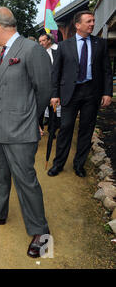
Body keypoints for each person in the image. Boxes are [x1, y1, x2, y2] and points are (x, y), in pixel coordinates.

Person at [0, 7, 51, 258]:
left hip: (20, 130)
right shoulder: (2, 53)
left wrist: (31, 119)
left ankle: (41, 233)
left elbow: (43, 90)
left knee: (26, 182)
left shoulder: (31, 50)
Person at [47, 11, 113, 178]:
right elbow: (56, 72)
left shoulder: (101, 44)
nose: (92, 24)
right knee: (66, 128)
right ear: (77, 25)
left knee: (86, 130)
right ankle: (58, 164)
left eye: (93, 21)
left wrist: (107, 92)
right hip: (71, 92)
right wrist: (55, 94)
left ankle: (79, 165)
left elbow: (107, 71)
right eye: (88, 21)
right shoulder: (64, 46)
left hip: (92, 93)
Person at [38, 33, 61, 129]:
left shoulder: (57, 51)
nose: (41, 43)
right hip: (42, 87)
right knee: (40, 110)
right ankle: (39, 128)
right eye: (40, 41)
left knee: (53, 109)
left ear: (49, 40)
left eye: (43, 40)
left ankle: (52, 130)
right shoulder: (39, 53)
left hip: (53, 87)